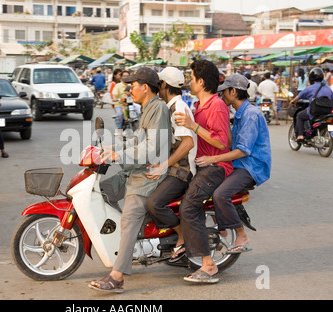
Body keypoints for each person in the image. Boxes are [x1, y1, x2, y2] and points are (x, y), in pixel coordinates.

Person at [88, 67, 172, 293]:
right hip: (135, 171)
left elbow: (152, 147)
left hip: (148, 176)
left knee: (129, 217)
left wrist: (119, 155)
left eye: (133, 85)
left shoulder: (159, 109)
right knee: (103, 191)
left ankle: (117, 277)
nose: (129, 90)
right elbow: (136, 141)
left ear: (145, 87)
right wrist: (111, 148)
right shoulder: (147, 108)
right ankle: (129, 244)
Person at [197, 74, 271, 254]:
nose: (221, 96)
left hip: (250, 166)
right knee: (208, 188)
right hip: (238, 164)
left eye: (224, 92)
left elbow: (243, 150)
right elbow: (229, 142)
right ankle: (221, 230)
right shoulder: (239, 113)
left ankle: (241, 234)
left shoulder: (251, 114)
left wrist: (212, 159)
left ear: (233, 91)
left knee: (221, 194)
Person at [173, 59, 233, 284]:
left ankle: (208, 265)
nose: (189, 82)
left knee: (188, 207)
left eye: (191, 78)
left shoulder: (216, 106)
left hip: (216, 167)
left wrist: (192, 125)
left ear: (200, 81)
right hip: (201, 165)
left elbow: (221, 142)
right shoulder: (199, 105)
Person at [146, 67, 197, 262]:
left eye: (158, 84)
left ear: (164, 85)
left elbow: (187, 143)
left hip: (182, 171)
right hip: (173, 167)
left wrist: (163, 165)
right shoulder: (169, 107)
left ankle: (182, 234)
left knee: (154, 203)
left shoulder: (178, 109)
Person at [290, 67, 333, 142]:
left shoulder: (310, 88)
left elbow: (299, 96)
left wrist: (292, 101)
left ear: (311, 78)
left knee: (299, 115)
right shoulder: (328, 88)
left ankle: (300, 135)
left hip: (315, 111)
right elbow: (332, 98)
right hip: (327, 112)